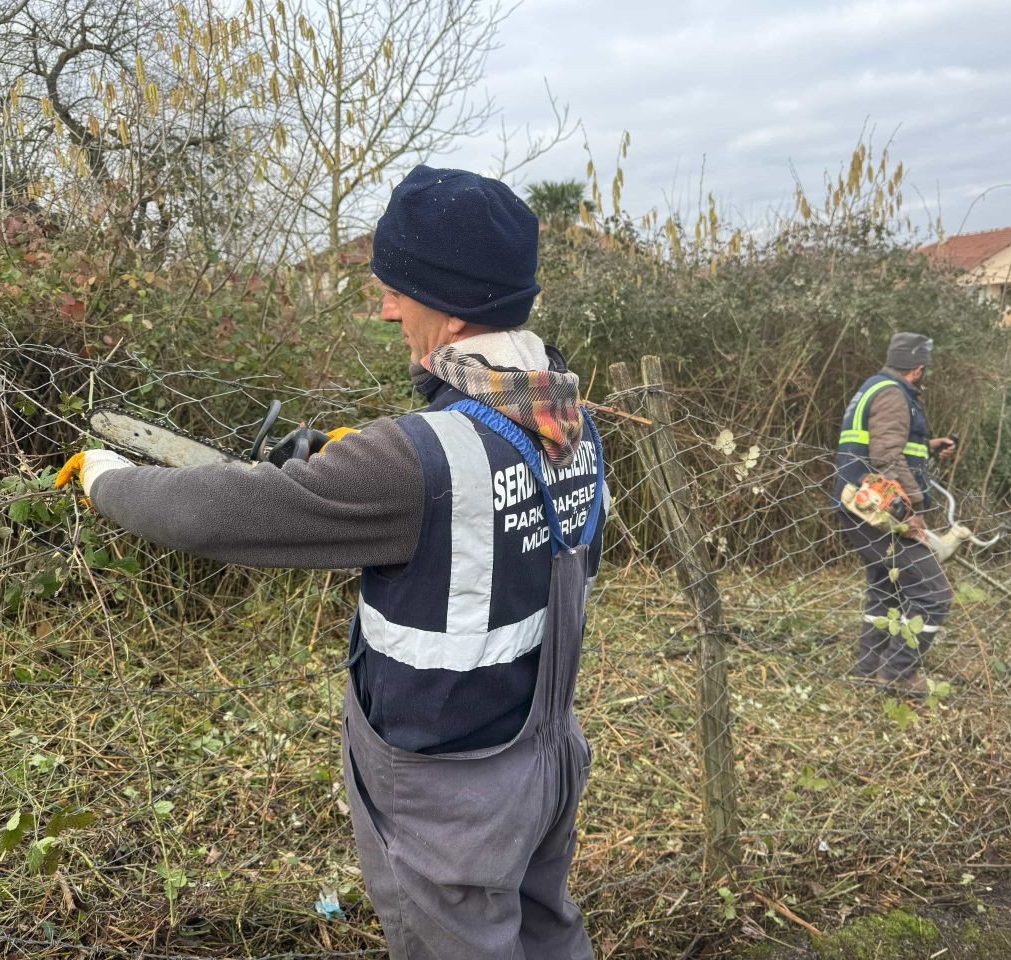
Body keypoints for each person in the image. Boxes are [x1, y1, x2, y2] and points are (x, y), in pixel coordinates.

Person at [56, 165, 606, 960]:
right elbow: (475, 490)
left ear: (451, 310)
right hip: (544, 756)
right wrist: (355, 459)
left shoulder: (413, 462)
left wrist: (108, 479)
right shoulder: (572, 420)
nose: (385, 308)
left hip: (449, 797)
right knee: (548, 934)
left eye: (397, 289)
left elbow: (216, 512)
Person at [834, 332, 955, 697]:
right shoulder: (892, 394)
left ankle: (867, 670)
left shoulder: (874, 387)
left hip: (859, 506)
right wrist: (909, 511)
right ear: (918, 370)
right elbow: (886, 456)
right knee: (934, 594)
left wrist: (928, 447)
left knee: (885, 589)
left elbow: (888, 442)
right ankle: (899, 674)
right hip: (877, 510)